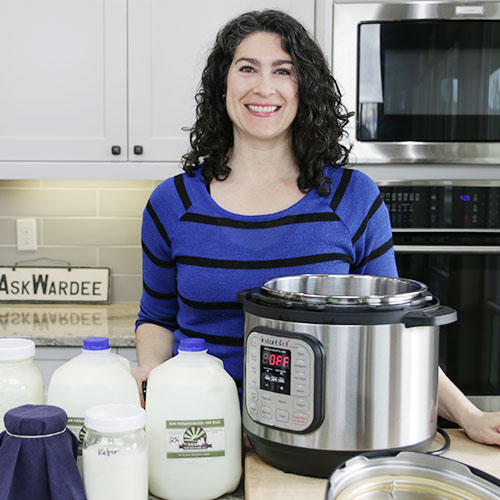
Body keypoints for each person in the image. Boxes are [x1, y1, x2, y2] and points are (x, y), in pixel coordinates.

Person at [133, 9, 500, 447]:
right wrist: (152, 376)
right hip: (198, 433)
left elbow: (397, 333)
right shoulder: (172, 204)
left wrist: (470, 415)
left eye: (283, 71)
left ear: (303, 87)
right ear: (222, 85)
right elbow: (156, 317)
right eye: (247, 68)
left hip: (323, 436)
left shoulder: (354, 199)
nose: (263, 87)